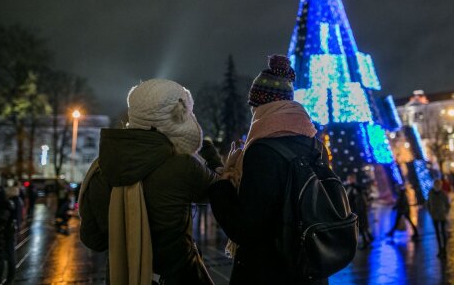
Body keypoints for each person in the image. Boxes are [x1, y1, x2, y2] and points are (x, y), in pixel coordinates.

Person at [79, 79, 223, 285]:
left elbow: (93, 239)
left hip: (123, 277)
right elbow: (221, 193)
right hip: (177, 277)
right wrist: (212, 158)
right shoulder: (183, 166)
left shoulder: (102, 167)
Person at [208, 55, 324, 285]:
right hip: (309, 268)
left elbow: (246, 229)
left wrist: (222, 186)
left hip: (269, 271)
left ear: (260, 107)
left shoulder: (261, 151)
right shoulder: (315, 145)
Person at [0, 187, 16, 285]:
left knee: (1, 259)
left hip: (0, 238)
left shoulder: (3, 206)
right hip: (0, 238)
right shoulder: (5, 205)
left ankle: (7, 279)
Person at [344, 174, 374, 248]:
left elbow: (359, 190)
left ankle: (365, 241)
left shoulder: (356, 187)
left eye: (350, 179)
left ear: (353, 179)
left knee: (361, 225)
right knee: (363, 225)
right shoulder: (351, 187)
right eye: (348, 179)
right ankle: (369, 238)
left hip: (359, 209)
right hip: (357, 209)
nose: (349, 181)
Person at [427, 179, 451, 258]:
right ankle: (440, 249)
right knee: (437, 233)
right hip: (434, 216)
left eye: (439, 185)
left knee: (443, 233)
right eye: (436, 184)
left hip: (442, 216)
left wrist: (445, 212)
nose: (437, 186)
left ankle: (444, 250)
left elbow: (448, 204)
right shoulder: (430, 193)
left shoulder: (443, 194)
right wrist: (430, 212)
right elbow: (428, 203)